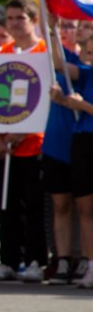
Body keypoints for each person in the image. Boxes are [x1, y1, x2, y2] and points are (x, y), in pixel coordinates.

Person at [0, 0, 47, 282]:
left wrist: (25, 132)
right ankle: (8, 259)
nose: (14, 23)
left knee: (33, 206)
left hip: (34, 145)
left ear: (33, 20)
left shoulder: (45, 52)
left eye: (20, 17)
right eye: (10, 18)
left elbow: (46, 99)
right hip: (5, 147)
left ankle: (35, 259)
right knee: (6, 204)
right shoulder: (1, 54)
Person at [49, 32, 93, 288]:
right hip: (84, 142)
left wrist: (83, 106)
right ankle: (89, 264)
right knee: (86, 209)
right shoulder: (87, 74)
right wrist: (52, 28)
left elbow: (84, 105)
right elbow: (59, 63)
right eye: (89, 52)